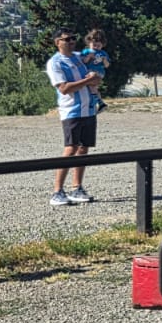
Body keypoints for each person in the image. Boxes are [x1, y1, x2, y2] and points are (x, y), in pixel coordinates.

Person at [45, 29, 100, 206]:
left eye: (74, 38)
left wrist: (95, 78)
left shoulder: (79, 57)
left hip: (88, 109)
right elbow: (64, 88)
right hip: (72, 111)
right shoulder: (55, 62)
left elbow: (96, 76)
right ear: (57, 43)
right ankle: (57, 191)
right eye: (67, 39)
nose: (71, 42)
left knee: (83, 148)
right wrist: (87, 81)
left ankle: (77, 187)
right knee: (70, 149)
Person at [79, 28, 111, 115]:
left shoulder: (103, 53)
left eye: (99, 45)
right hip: (88, 71)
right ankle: (100, 103)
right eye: (94, 45)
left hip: (98, 72)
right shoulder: (86, 51)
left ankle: (94, 102)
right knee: (93, 88)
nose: (96, 47)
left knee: (91, 82)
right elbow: (84, 61)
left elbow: (107, 65)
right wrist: (89, 56)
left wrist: (104, 60)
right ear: (89, 43)